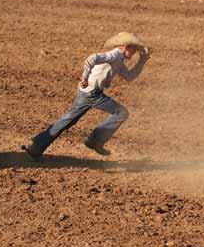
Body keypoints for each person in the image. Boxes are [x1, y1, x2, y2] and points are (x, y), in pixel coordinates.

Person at [22, 33, 152, 158]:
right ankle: (95, 141)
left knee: (67, 120)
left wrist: (142, 62)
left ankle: (36, 147)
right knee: (121, 113)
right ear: (126, 47)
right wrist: (84, 77)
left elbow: (129, 77)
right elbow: (92, 58)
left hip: (86, 92)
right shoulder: (114, 55)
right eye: (134, 49)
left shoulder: (119, 60)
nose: (134, 53)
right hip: (92, 93)